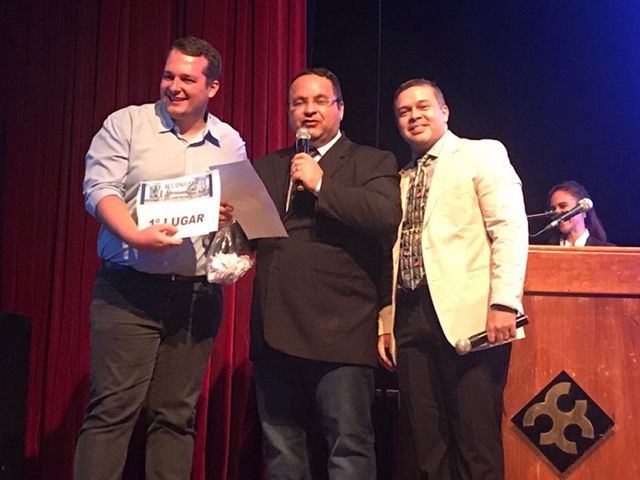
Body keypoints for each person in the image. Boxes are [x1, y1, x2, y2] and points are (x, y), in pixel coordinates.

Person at [76, 36, 247, 480]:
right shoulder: (127, 124)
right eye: (168, 76)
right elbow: (99, 189)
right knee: (112, 412)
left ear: (212, 87)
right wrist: (134, 234)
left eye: (187, 79)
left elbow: (239, 211)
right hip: (127, 290)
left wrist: (227, 215)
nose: (174, 86)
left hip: (195, 297)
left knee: (175, 417)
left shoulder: (229, 142)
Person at [250, 67, 401, 479]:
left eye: (320, 101)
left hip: (341, 331)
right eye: (299, 102)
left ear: (340, 108)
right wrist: (229, 223)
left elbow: (385, 216)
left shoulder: (372, 161)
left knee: (348, 446)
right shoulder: (266, 166)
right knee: (281, 448)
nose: (309, 110)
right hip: (274, 330)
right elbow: (249, 237)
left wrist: (322, 185)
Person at [377, 79, 529, 479]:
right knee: (427, 446)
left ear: (444, 111)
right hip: (411, 317)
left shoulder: (481, 154)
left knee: (476, 440)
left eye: (423, 106)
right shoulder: (399, 177)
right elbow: (391, 254)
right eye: (404, 112)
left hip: (470, 316)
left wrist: (504, 302)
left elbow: (509, 228)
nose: (414, 116)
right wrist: (387, 322)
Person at [546, 180, 613, 246]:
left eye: (563, 206)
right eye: (553, 209)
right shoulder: (546, 249)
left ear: (583, 209)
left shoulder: (606, 250)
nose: (557, 212)